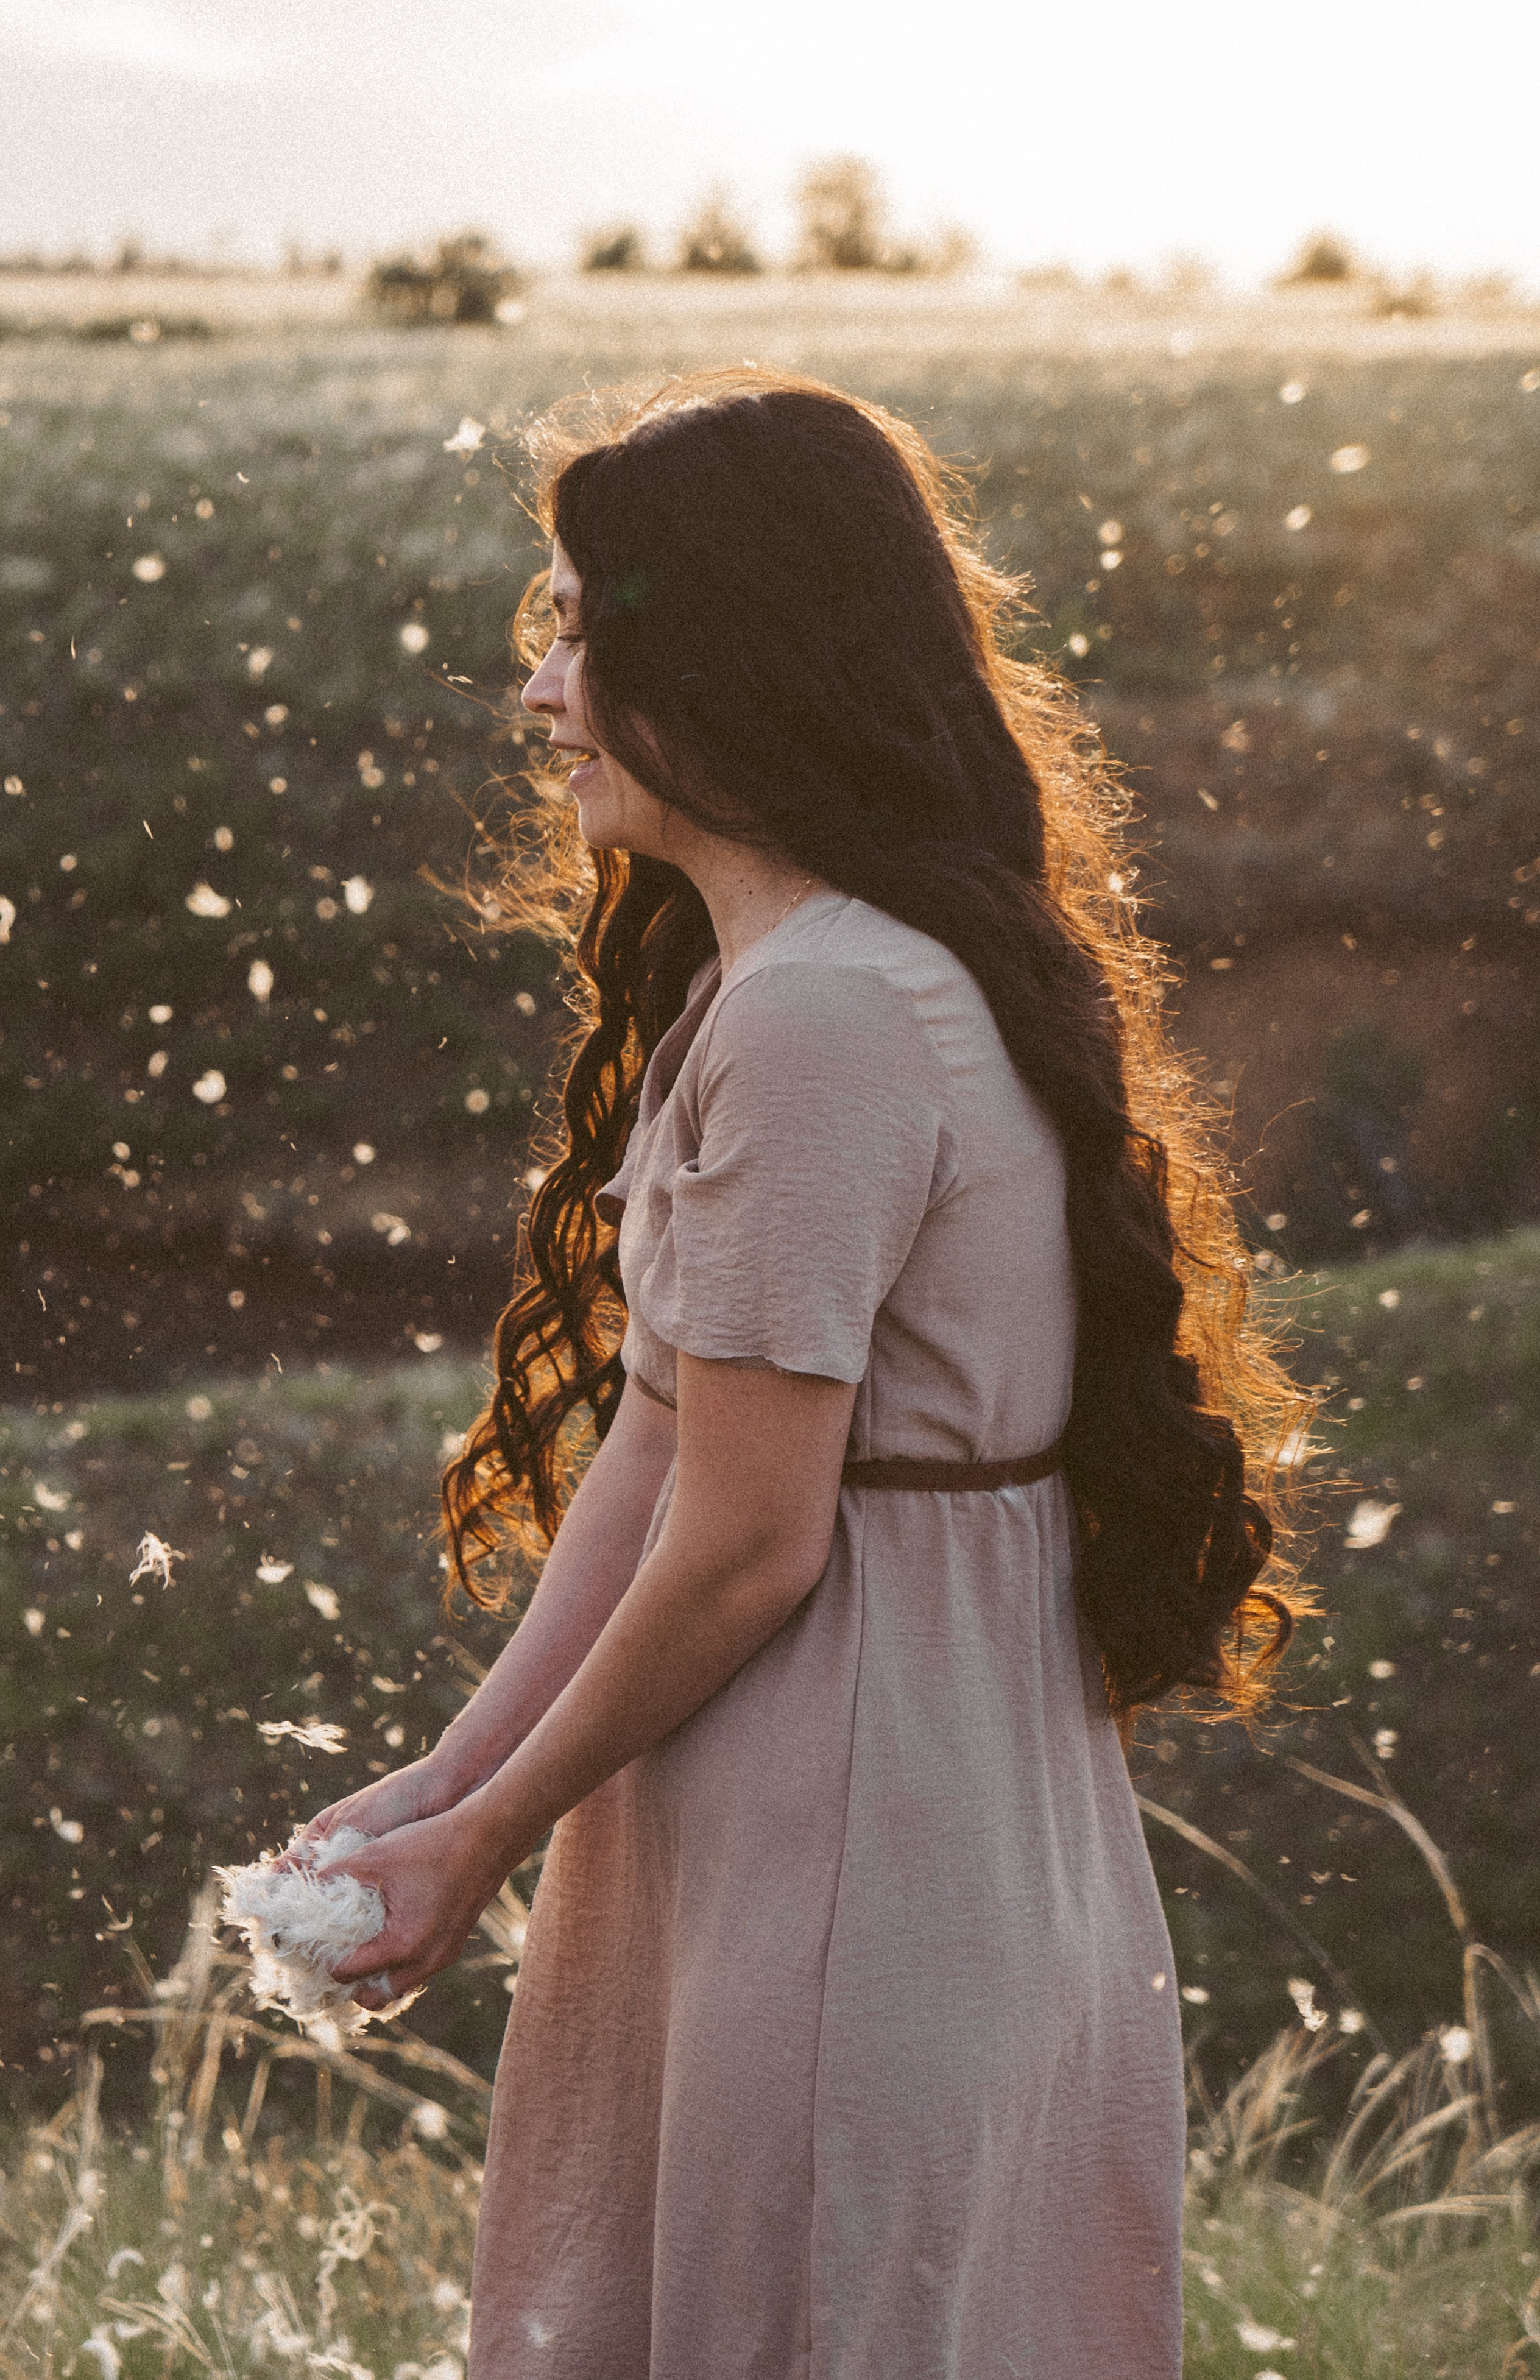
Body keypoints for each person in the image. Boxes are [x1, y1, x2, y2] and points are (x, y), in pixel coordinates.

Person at [308, 369, 1310, 2378]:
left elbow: (753, 1543)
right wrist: (447, 1780)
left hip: (844, 1831)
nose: (541, 699)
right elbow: (663, 1455)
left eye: (583, 629)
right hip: (876, 1800)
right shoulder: (811, 976)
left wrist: (487, 1846)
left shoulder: (825, 1016)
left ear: (733, 649)